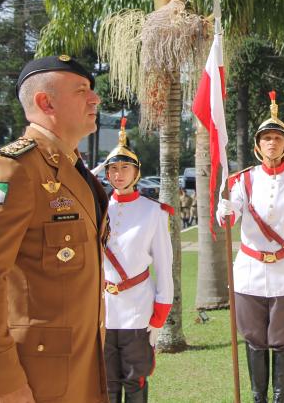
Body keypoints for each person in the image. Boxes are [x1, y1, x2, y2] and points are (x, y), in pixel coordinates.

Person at [0, 55, 109, 403]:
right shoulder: (13, 170)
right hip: (32, 379)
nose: (94, 99)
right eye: (82, 91)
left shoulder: (72, 168)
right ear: (44, 101)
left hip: (77, 368)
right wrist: (4, 383)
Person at [216, 92, 284, 403]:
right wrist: (225, 211)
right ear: (257, 145)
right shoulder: (242, 181)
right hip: (249, 272)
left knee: (283, 341)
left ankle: (279, 399)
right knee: (254, 340)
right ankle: (258, 398)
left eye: (276, 138)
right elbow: (231, 215)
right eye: (266, 138)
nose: (271, 143)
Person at [99, 119, 173, 403]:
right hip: (105, 309)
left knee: (135, 381)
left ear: (136, 172)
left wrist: (158, 317)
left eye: (124, 168)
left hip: (138, 310)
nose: (118, 174)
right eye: (113, 169)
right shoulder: (98, 209)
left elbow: (164, 268)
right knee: (106, 382)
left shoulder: (153, 212)